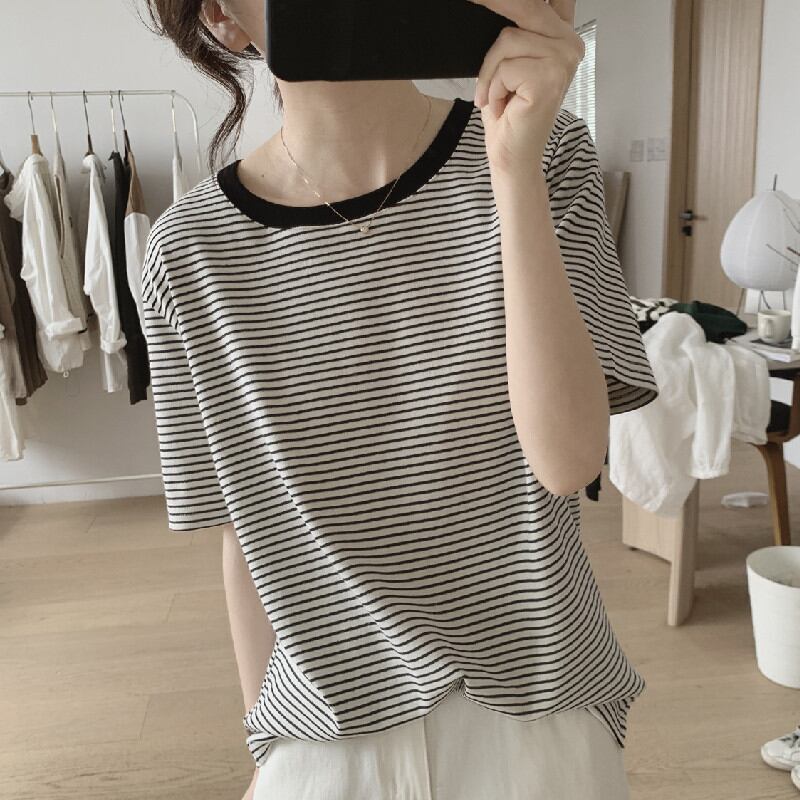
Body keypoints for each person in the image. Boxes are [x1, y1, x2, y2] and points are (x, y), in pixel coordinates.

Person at [137, 0, 660, 798]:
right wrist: (264, 744)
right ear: (222, 16)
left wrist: (513, 172)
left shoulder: (547, 150)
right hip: (321, 730)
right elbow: (247, 533)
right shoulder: (188, 253)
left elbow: (569, 461)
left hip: (539, 700)